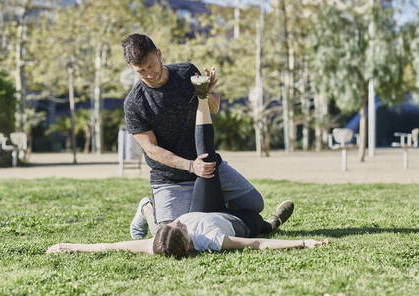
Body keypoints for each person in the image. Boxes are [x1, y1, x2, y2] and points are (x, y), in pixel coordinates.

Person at [47, 79, 328, 257]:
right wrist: (303, 243)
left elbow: (115, 247)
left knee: (204, 162)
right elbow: (256, 245)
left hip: (205, 204)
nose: (180, 220)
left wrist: (71, 246)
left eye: (173, 224)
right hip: (240, 220)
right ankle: (275, 220)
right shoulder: (213, 239)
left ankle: (147, 208)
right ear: (191, 244)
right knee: (264, 227)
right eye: (179, 226)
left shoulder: (164, 236)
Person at [122, 33, 264, 239]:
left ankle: (214, 207)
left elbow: (213, 107)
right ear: (131, 68)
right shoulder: (134, 103)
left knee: (254, 204)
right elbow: (151, 149)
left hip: (209, 166)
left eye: (151, 65)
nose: (149, 74)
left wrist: (206, 93)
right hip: (170, 179)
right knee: (168, 234)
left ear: (159, 54)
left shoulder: (187, 71)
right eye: (141, 71)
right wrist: (190, 165)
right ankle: (147, 208)